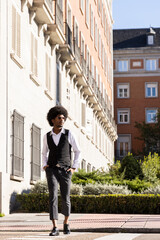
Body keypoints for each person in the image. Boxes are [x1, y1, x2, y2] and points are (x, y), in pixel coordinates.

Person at [42, 105, 81, 236]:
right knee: (52, 196)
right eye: (59, 118)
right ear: (53, 119)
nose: (62, 120)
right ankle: (54, 227)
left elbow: (77, 151)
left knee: (65, 197)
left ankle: (66, 223)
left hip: (65, 170)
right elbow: (43, 152)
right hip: (51, 169)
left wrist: (74, 167)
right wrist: (45, 165)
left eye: (64, 118)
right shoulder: (47, 136)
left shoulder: (69, 134)